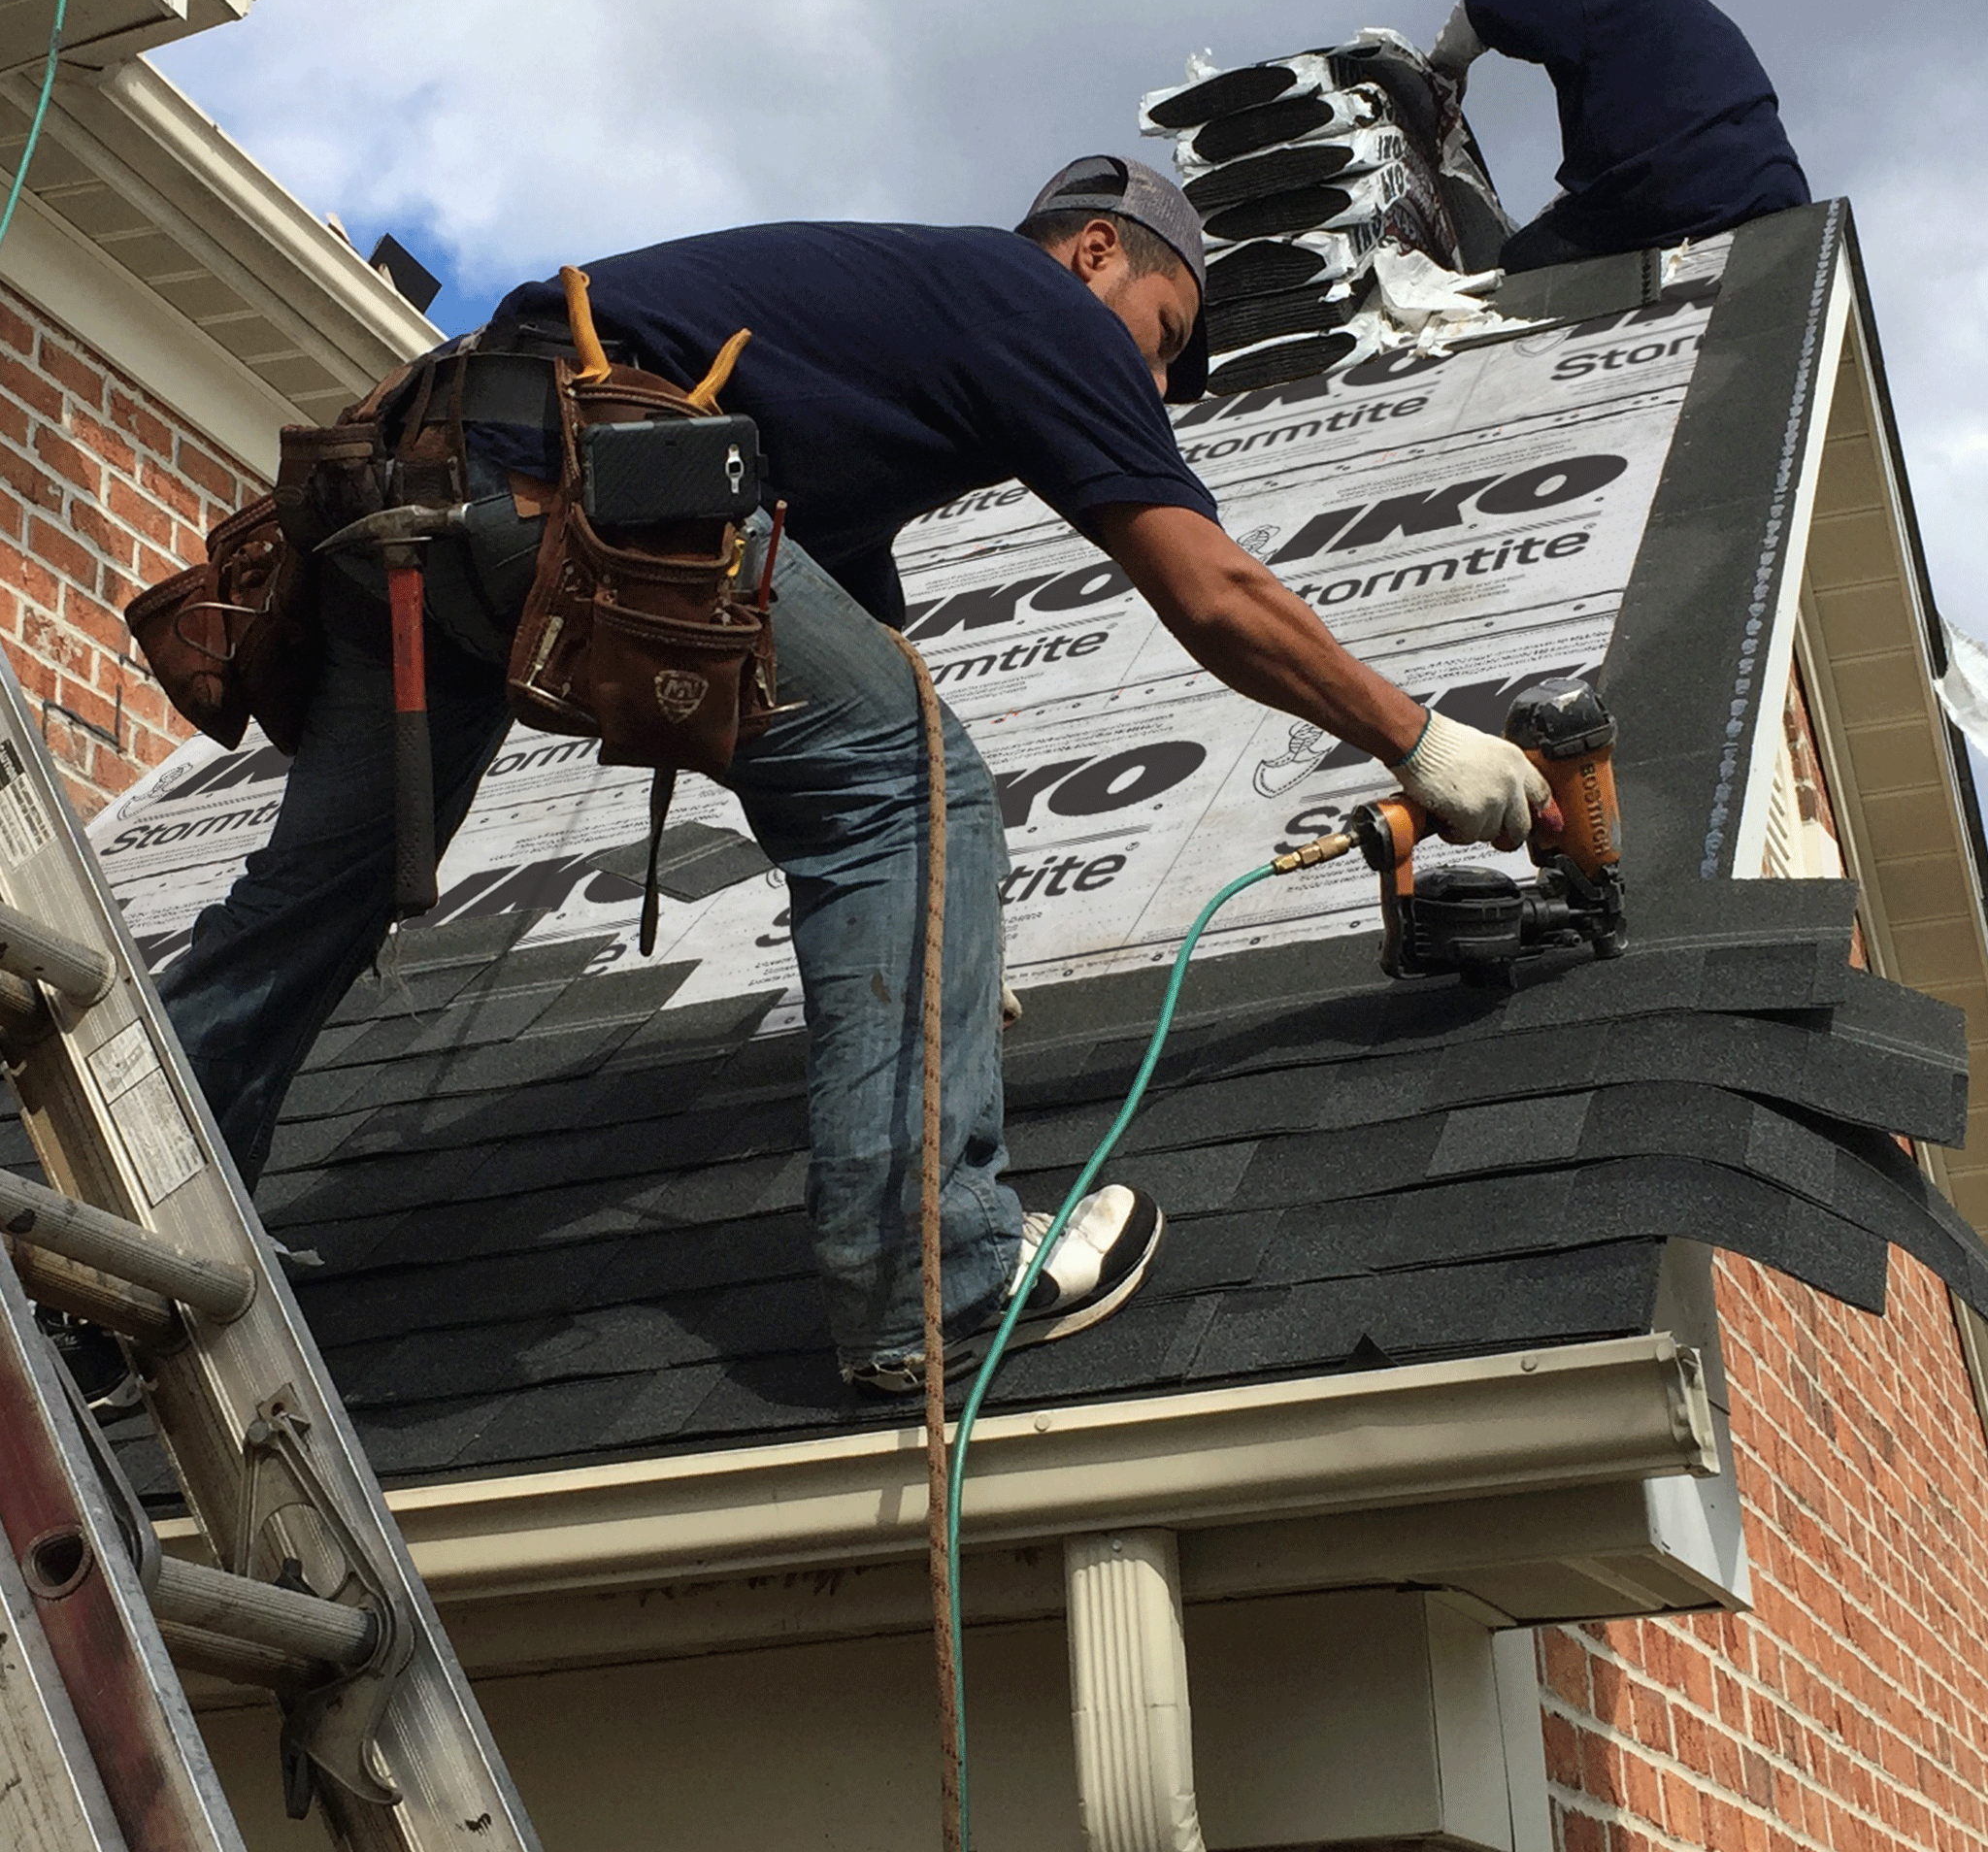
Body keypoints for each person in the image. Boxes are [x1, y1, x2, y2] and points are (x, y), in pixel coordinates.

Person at [156, 155, 1552, 1396]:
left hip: (412, 494)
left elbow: (845, 681)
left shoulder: (868, 369)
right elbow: (1209, 592)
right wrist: (1420, 740)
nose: (1147, 384)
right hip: (582, 473)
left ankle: (149, 1243)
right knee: (913, 789)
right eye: (1162, 335)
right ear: (1094, 253)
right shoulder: (1035, 302)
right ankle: (936, 1283)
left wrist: (941, 935)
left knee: (312, 894)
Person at [1429, 0, 1810, 273]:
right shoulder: (1691, 11)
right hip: (1776, 189)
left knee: (1517, 264)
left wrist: (1443, 71)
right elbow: (1660, 135)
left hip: (1678, 192)